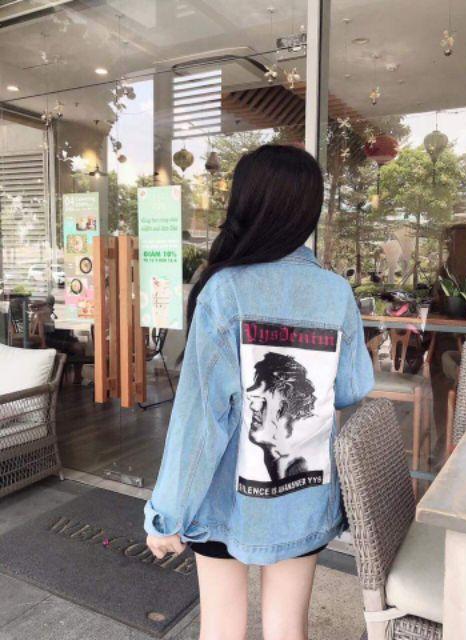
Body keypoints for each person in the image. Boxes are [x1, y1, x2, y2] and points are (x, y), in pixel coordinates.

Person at [144, 144, 374, 640]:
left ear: (245, 203)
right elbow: (353, 387)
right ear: (308, 211)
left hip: (223, 500)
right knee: (288, 628)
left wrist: (167, 514)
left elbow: (200, 420)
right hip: (303, 497)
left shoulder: (223, 289)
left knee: (222, 628)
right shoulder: (336, 292)